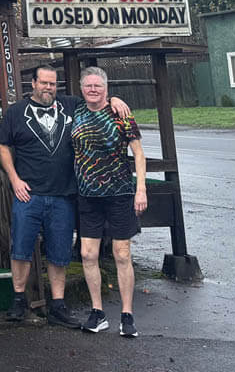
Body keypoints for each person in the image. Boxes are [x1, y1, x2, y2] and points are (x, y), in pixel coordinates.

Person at [0, 65, 130, 327]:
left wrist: (114, 99)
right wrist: (14, 179)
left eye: (53, 84)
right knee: (21, 249)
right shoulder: (15, 113)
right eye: (44, 83)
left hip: (64, 194)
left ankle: (58, 305)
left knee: (59, 252)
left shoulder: (71, 106)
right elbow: (2, 145)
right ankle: (19, 299)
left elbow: (96, 99)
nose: (48, 88)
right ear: (32, 83)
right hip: (29, 194)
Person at [71, 66, 147, 338]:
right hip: (88, 195)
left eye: (98, 86)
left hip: (120, 193)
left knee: (122, 254)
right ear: (81, 88)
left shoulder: (120, 115)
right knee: (87, 254)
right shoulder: (75, 111)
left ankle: (127, 315)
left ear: (106, 88)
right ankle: (98, 312)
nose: (93, 90)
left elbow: (138, 154)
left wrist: (141, 189)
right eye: (88, 86)